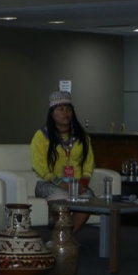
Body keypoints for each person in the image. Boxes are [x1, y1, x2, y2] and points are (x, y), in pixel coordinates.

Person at [31, 90, 94, 233]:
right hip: (48, 183)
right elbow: (39, 165)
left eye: (69, 109)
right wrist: (61, 183)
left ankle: (65, 239)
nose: (66, 112)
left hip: (76, 183)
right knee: (61, 198)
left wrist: (83, 182)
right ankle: (62, 241)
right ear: (52, 113)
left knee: (89, 200)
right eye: (61, 109)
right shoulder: (42, 135)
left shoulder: (82, 136)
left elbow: (89, 162)